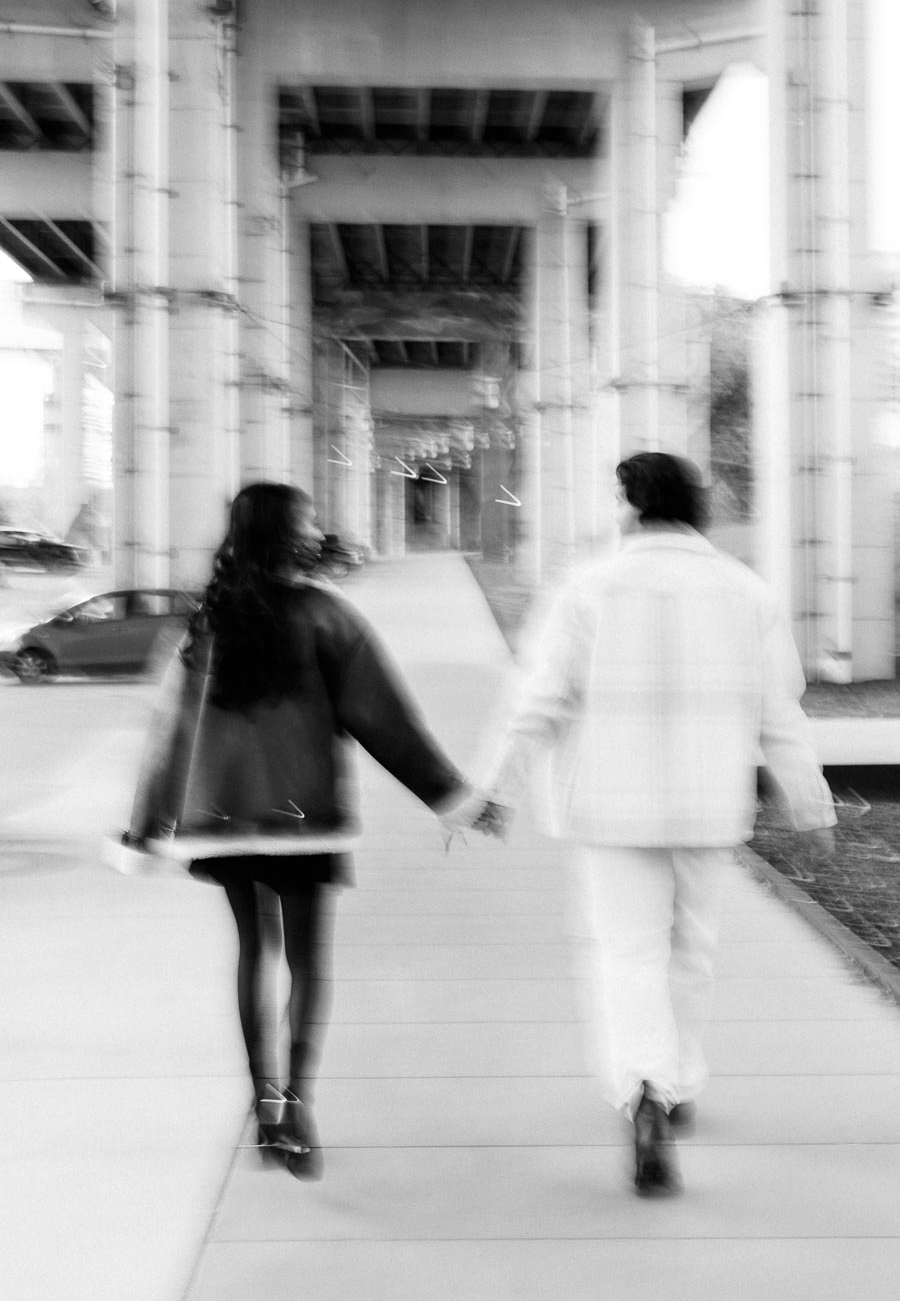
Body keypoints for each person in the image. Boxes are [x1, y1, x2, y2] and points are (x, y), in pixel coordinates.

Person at [469, 452, 836, 1195]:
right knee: (691, 950)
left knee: (627, 954)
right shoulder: (744, 591)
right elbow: (779, 712)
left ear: (631, 505)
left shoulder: (587, 585)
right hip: (706, 804)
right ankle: (678, 1082)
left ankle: (644, 1091)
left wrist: (492, 785)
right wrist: (810, 803)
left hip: (609, 807)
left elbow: (537, 698)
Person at [126, 482, 474, 1179]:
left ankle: (263, 1111)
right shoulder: (326, 616)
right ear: (288, 533)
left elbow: (168, 733)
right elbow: (383, 720)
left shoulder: (204, 623)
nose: (315, 528)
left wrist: (147, 824)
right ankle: (297, 1105)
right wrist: (449, 794)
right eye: (307, 520)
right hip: (303, 820)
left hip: (221, 823)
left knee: (252, 954)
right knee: (307, 963)